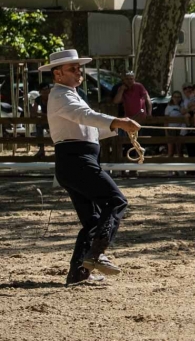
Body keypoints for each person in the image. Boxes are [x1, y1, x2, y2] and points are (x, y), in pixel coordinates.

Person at [39, 49, 140, 286]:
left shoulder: (68, 95)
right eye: (72, 68)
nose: (79, 72)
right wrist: (117, 122)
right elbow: (85, 116)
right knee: (116, 201)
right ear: (58, 74)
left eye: (78, 67)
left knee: (93, 220)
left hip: (74, 163)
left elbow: (88, 128)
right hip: (78, 162)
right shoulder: (62, 96)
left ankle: (77, 274)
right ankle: (96, 254)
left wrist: (118, 127)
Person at [31, 83, 51, 157]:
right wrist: (42, 115)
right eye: (43, 90)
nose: (45, 92)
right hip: (44, 120)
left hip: (55, 120)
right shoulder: (38, 99)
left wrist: (42, 114)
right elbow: (33, 112)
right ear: (40, 92)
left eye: (47, 90)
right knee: (38, 126)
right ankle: (41, 149)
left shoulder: (53, 98)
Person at [164, 90, 186, 158]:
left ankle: (181, 167)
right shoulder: (169, 107)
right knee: (171, 150)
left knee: (180, 150)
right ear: (172, 98)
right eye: (175, 97)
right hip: (171, 129)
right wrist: (166, 131)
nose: (177, 98)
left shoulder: (183, 105)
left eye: (178, 97)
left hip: (180, 129)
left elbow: (184, 113)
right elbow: (166, 120)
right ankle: (170, 167)